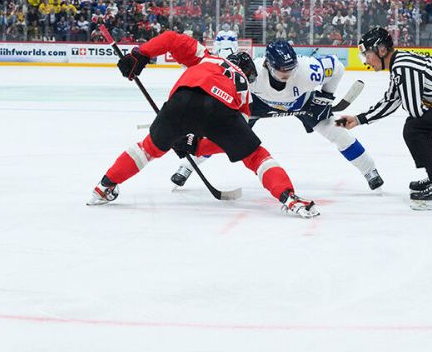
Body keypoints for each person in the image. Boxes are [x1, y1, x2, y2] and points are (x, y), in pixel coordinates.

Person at [87, 30, 319, 218]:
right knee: (257, 156)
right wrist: (197, 146)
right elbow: (228, 141)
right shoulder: (244, 89)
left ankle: (103, 186)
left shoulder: (207, 57)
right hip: (223, 107)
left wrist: (141, 54)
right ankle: (289, 197)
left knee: (147, 148)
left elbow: (170, 38)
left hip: (182, 100)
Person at [171, 37, 383, 191]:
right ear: (268, 65)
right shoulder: (252, 74)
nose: (288, 74)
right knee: (223, 135)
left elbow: (337, 67)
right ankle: (186, 166)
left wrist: (325, 97)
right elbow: (222, 87)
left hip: (303, 102)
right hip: (258, 104)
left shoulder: (308, 70)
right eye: (283, 70)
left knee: (336, 132)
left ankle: (370, 170)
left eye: (291, 68)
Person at [336, 27, 432, 211]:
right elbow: (391, 100)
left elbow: (415, 110)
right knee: (416, 127)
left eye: (367, 55)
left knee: (414, 128)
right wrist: (358, 119)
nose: (366, 61)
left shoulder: (403, 66)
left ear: (382, 50)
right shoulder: (400, 65)